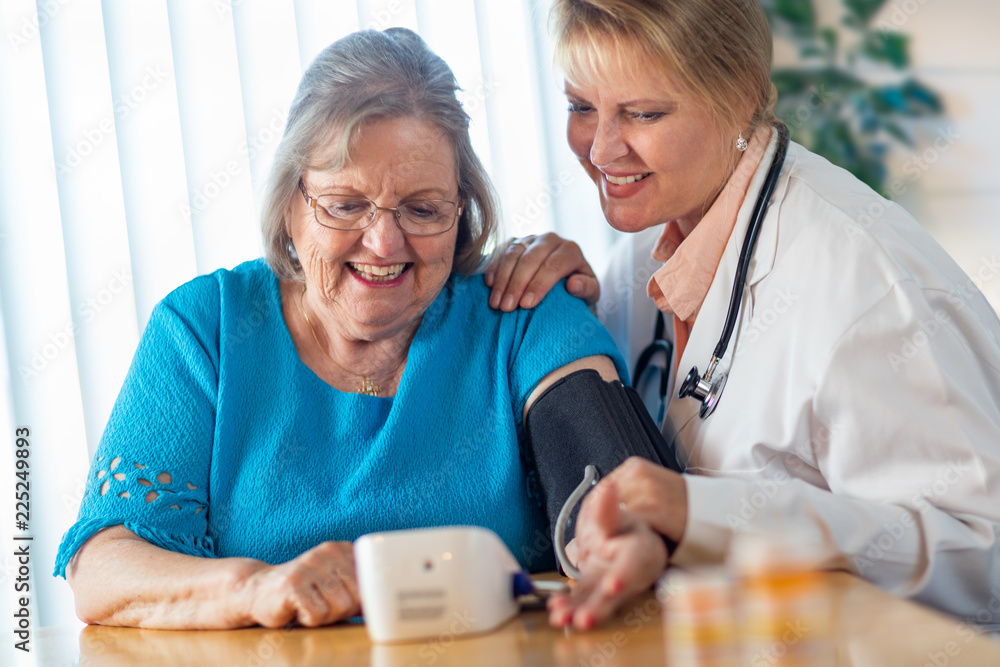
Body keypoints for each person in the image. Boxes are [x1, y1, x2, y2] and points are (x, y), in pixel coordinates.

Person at [53, 27, 628, 630]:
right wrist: (253, 590)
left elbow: (616, 498)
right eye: (346, 205)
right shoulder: (207, 328)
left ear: (463, 214)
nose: (383, 242)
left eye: (424, 209)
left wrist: (617, 542)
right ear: (290, 206)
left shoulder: (520, 308)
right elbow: (102, 572)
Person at [487, 0, 1000, 631]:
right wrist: (567, 308)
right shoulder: (639, 259)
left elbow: (982, 557)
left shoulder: (866, 280)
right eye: (580, 107)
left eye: (643, 113)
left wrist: (704, 514)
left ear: (739, 95)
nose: (600, 149)